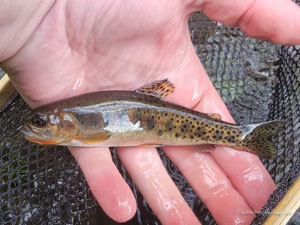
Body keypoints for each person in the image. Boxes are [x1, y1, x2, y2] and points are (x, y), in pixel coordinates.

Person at [1, 1, 300, 224]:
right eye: (39, 122)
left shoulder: (86, 131)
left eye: (40, 122)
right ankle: (243, 136)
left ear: (67, 123)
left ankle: (245, 137)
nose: (35, 126)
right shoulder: (77, 123)